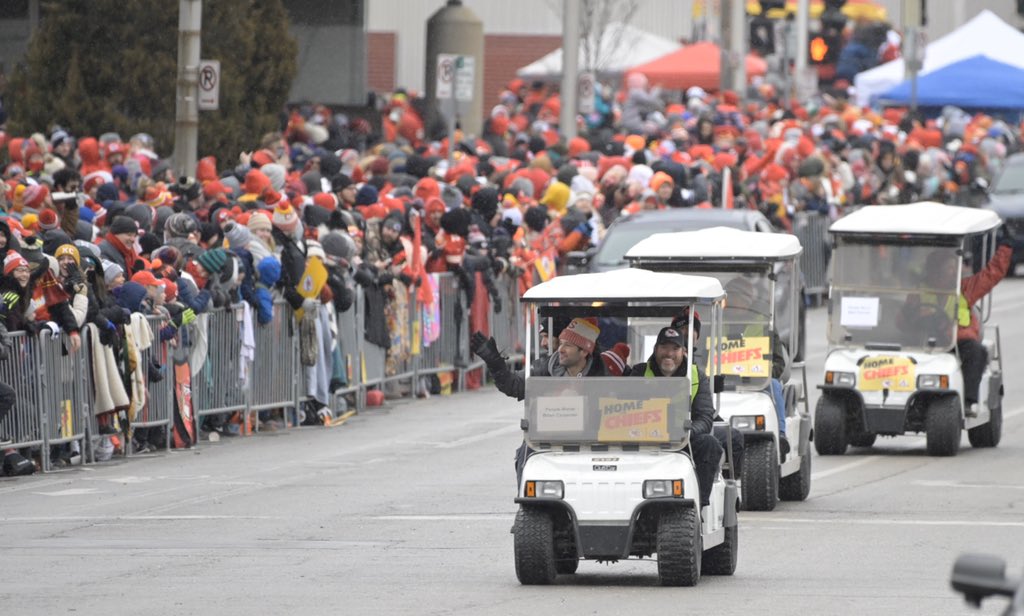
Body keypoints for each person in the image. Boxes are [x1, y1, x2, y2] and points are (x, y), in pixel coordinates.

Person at [471, 317, 606, 481]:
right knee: (525, 455)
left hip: (589, 442)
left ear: (584, 351)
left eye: (568, 345)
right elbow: (513, 385)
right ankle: (528, 504)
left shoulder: (602, 375)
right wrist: (494, 362)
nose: (560, 349)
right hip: (548, 441)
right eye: (561, 343)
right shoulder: (545, 367)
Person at [904, 238, 1013, 416]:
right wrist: (915, 317)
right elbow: (903, 320)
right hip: (923, 341)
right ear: (935, 270)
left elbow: (992, 275)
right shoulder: (919, 292)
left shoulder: (965, 288)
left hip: (957, 342)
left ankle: (969, 402)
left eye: (955, 267)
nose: (954, 271)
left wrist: (1005, 249)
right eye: (948, 268)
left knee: (977, 352)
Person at [626, 321, 724, 507]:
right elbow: (623, 407)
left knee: (710, 445)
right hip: (643, 438)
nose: (669, 354)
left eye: (675, 348)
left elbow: (705, 418)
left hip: (683, 439)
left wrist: (684, 433)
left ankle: (697, 508)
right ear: (655, 349)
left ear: (684, 352)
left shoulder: (697, 376)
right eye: (664, 347)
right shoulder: (639, 372)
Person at [723, 277, 791, 457]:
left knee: (774, 385)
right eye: (730, 298)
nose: (732, 303)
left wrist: (764, 372)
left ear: (747, 301)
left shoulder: (763, 323)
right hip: (722, 379)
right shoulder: (716, 322)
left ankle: (781, 434)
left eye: (736, 298)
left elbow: (778, 361)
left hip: (755, 380)